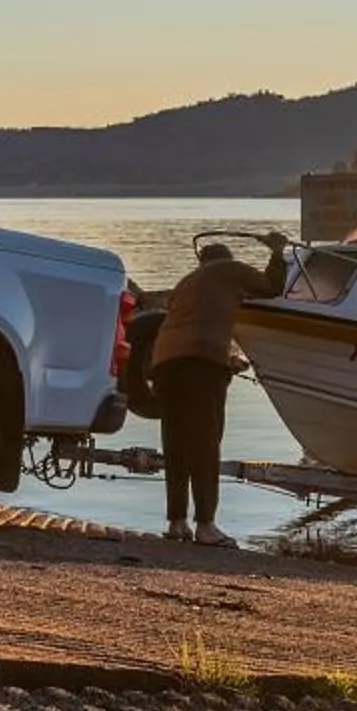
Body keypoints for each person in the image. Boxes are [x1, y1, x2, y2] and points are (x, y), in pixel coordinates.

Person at [150, 231, 290, 545]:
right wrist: (278, 253)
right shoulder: (231, 270)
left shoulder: (185, 283)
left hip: (164, 364)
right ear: (225, 259)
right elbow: (272, 287)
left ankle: (176, 522)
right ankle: (206, 527)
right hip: (201, 365)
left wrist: (226, 361)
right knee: (205, 443)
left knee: (176, 444)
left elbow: (193, 323)